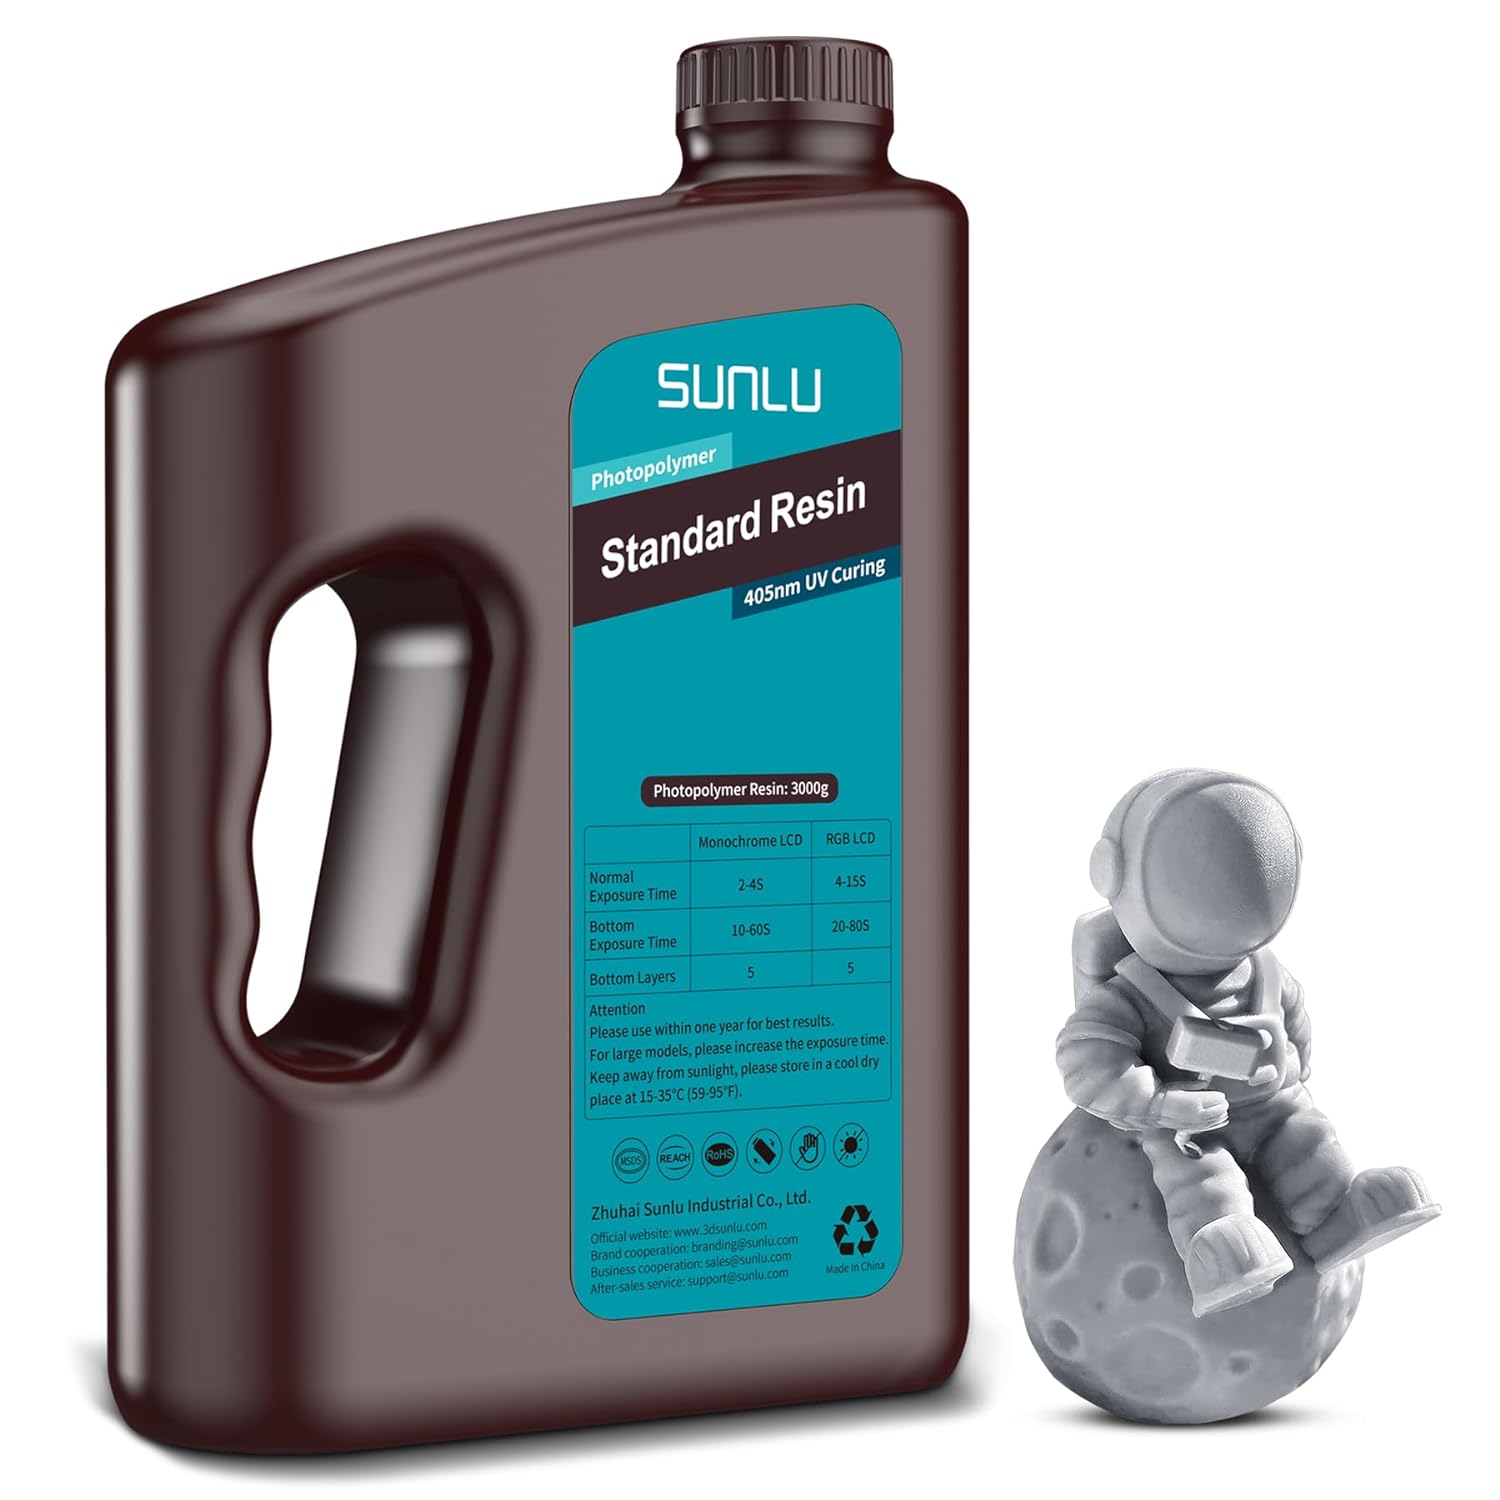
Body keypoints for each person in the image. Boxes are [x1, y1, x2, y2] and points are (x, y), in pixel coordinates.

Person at [1058, 770, 1440, 1316]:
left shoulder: (1267, 972)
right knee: (1199, 1177)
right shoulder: (1131, 993)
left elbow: (1295, 1023)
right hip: (1189, 1126)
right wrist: (1158, 1103)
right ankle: (1220, 1251)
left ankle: (1339, 1217)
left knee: (1310, 1143)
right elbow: (1088, 1059)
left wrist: (1297, 1072)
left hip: (1276, 1108)